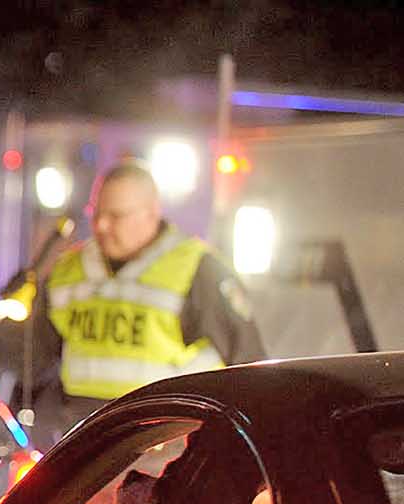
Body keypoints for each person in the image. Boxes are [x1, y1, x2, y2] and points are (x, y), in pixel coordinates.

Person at [23, 162, 267, 438]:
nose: (102, 225)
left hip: (166, 445)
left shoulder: (198, 270)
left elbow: (249, 367)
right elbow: (32, 362)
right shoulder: (66, 271)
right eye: (97, 213)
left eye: (116, 216)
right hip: (81, 444)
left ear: (151, 213)